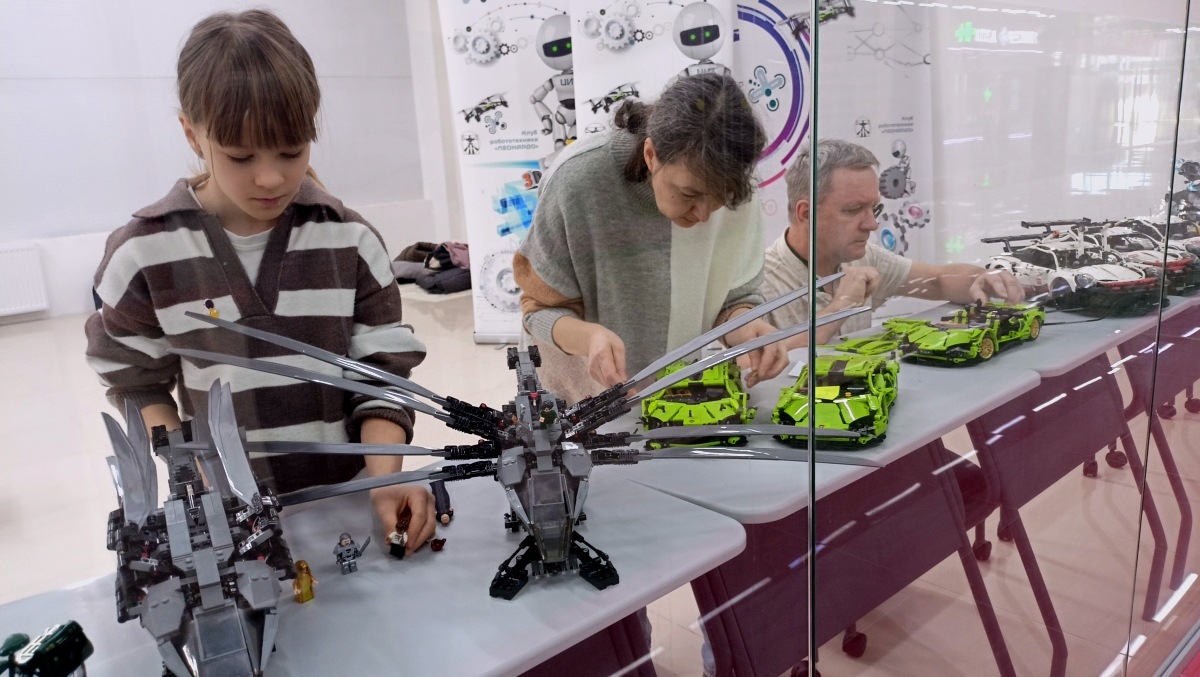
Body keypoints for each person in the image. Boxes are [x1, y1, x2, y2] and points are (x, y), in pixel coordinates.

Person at [84, 10, 436, 553]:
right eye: (241, 156)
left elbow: (382, 377)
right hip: (230, 521)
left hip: (345, 502)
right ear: (192, 133)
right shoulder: (143, 253)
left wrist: (386, 478)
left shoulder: (349, 241)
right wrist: (194, 472)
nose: (271, 177)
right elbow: (135, 381)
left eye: (292, 151)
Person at [514, 73, 789, 404]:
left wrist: (748, 327)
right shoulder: (577, 180)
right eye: (689, 193)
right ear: (650, 155)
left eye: (721, 196)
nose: (704, 215)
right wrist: (588, 337)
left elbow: (734, 298)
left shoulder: (736, 189)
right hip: (580, 401)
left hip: (674, 398)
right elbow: (538, 309)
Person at [761, 139, 1025, 346]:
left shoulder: (865, 259)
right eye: (854, 210)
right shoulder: (761, 284)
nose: (872, 224)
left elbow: (938, 281)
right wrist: (841, 306)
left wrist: (983, 279)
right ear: (806, 213)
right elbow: (752, 366)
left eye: (874, 209)